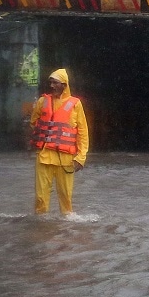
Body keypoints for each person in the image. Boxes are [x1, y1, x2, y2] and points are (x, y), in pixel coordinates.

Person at [30, 68, 89, 215]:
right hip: (44, 157)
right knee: (40, 198)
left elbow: (83, 133)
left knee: (66, 198)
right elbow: (34, 122)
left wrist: (81, 157)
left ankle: (66, 228)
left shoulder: (76, 104)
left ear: (64, 84)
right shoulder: (42, 101)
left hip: (66, 160)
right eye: (50, 82)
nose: (52, 86)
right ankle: (41, 226)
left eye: (55, 83)